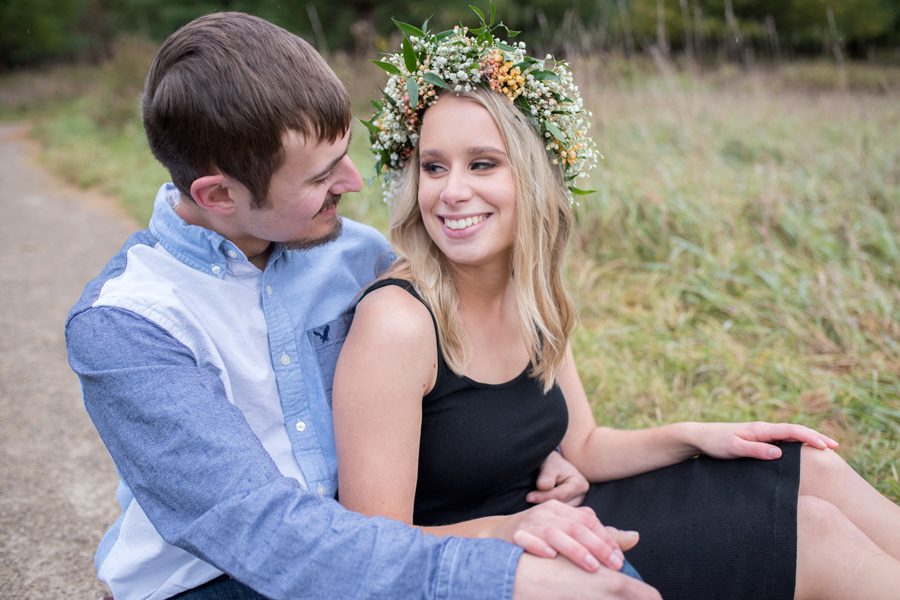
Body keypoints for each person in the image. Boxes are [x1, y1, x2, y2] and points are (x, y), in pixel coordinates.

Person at [65, 11, 660, 600]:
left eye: (346, 153)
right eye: (321, 175)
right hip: (219, 579)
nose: (352, 181)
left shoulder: (355, 255)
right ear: (219, 194)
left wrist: (543, 453)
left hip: (370, 556)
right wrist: (501, 565)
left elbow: (452, 392)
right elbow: (264, 534)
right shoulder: (130, 326)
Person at [332, 13, 900, 600]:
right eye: (433, 167)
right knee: (817, 536)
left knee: (812, 467)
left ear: (533, 176)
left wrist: (695, 434)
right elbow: (373, 549)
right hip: (498, 562)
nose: (451, 192)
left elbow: (584, 446)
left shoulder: (533, 296)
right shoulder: (399, 324)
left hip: (573, 515)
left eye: (482, 163)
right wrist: (510, 527)